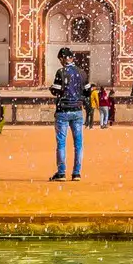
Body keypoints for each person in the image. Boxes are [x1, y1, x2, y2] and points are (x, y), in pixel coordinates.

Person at [50, 48, 87, 181]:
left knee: (61, 143)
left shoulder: (61, 72)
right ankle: (76, 173)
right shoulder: (82, 73)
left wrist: (53, 88)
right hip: (77, 110)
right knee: (78, 144)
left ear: (63, 58)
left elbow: (56, 91)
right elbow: (87, 91)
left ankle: (61, 172)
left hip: (63, 110)